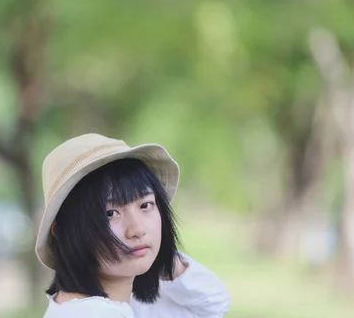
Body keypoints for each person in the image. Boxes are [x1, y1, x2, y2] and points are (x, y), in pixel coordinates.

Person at [36, 133, 231, 317]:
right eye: (110, 214)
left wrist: (167, 262)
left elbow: (212, 304)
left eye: (145, 205)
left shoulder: (120, 304)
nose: (137, 230)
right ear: (62, 232)